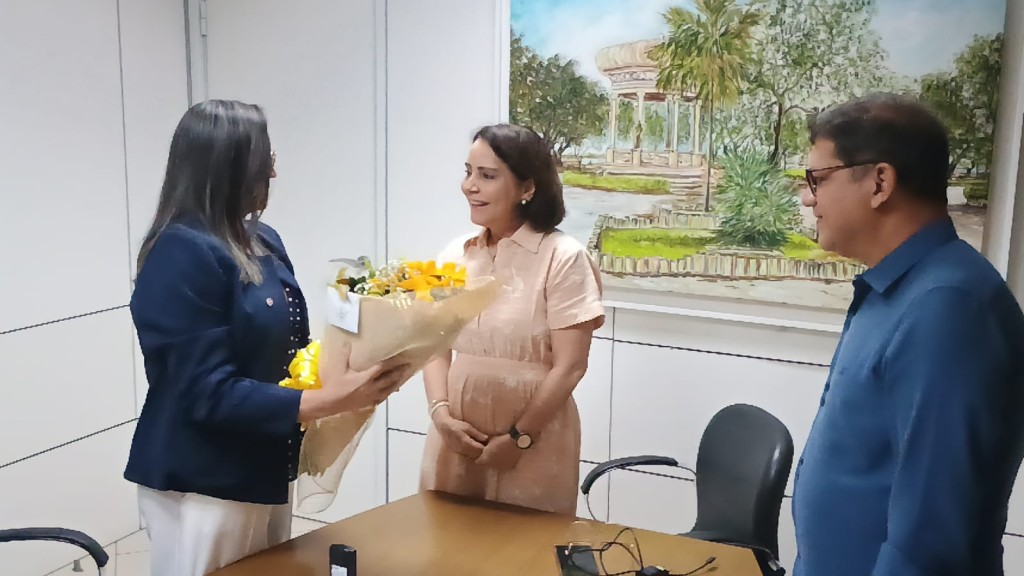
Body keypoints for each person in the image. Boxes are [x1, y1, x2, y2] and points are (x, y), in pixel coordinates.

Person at [125, 100, 410, 576]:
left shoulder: (262, 238)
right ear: (229, 164)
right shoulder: (180, 252)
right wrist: (329, 401)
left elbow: (287, 349)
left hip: (265, 463)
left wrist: (356, 366)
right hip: (205, 479)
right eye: (265, 159)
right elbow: (203, 390)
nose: (273, 173)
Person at [792, 92, 1024, 576]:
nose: (808, 198)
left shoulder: (950, 308)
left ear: (880, 182)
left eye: (818, 179)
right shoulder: (898, 289)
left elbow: (929, 540)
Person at [418, 123, 605, 514]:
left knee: (526, 543)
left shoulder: (563, 257)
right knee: (446, 538)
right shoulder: (456, 254)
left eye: (487, 176)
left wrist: (520, 437)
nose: (470, 186)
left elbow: (571, 365)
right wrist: (441, 414)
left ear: (528, 188)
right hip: (456, 432)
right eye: (468, 172)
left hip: (535, 436)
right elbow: (434, 345)